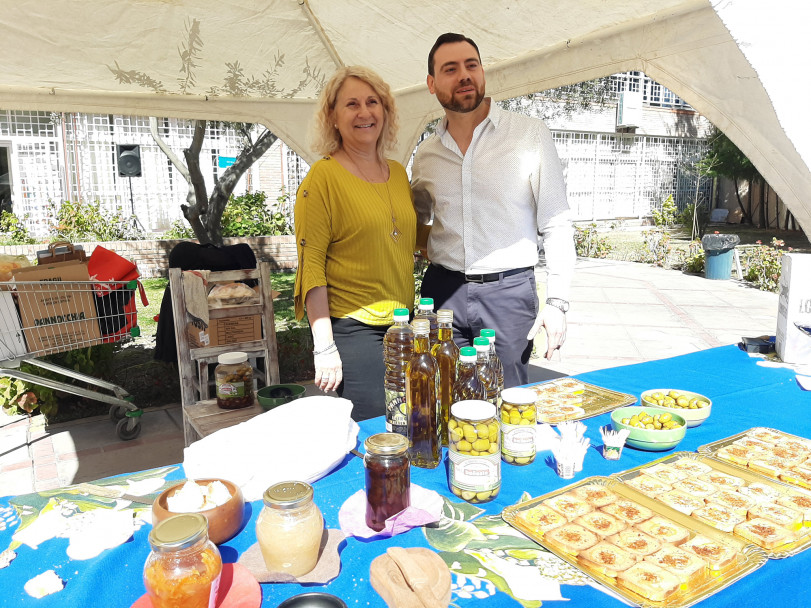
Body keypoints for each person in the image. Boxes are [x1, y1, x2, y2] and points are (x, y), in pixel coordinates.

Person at [411, 32, 576, 389]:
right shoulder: (426, 155)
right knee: (444, 398)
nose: (464, 75)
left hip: (508, 295)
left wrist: (558, 303)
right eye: (450, 68)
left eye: (471, 65)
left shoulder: (529, 135)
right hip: (442, 293)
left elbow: (556, 222)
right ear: (431, 83)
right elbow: (415, 219)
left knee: (507, 401)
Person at [294, 66, 417, 421]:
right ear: (332, 117)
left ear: (386, 110)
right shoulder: (324, 176)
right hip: (354, 329)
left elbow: (408, 237)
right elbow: (311, 265)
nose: (364, 113)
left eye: (372, 102)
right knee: (377, 433)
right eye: (351, 104)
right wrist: (325, 347)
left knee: (411, 420)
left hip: (403, 324)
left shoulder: (398, 172)